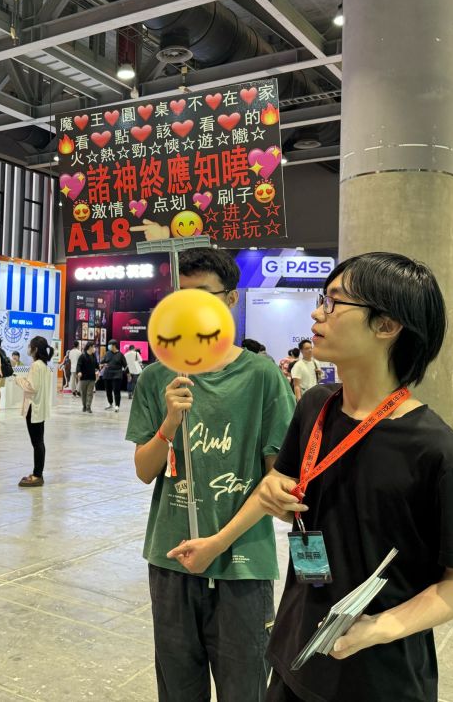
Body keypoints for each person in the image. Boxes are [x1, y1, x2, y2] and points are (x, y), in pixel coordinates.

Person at [255, 252, 453, 702]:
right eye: (322, 300)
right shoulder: (315, 406)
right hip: (293, 656)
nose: (317, 313)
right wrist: (273, 493)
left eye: (334, 302)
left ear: (387, 325)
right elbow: (281, 486)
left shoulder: (441, 454)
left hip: (379, 679)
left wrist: (379, 627)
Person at [127, 246, 296, 701]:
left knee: (246, 688)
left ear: (231, 300)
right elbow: (144, 470)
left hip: (242, 565)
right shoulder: (156, 379)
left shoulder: (262, 377)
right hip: (170, 559)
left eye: (203, 296)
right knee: (178, 688)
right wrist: (169, 423)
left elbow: (276, 483)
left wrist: (217, 543)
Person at [16, 336, 54, 487]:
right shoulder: (44, 365)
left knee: (37, 442)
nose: (29, 349)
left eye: (30, 346)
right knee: (39, 442)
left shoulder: (36, 365)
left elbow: (32, 387)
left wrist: (19, 380)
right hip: (39, 407)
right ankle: (37, 473)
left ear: (35, 349)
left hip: (34, 407)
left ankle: (38, 475)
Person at [101, 340, 128, 412]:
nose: (109, 346)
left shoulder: (120, 355)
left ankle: (117, 405)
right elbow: (102, 362)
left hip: (117, 374)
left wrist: (128, 374)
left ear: (114, 346)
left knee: (116, 390)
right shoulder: (107, 353)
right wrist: (103, 364)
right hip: (107, 374)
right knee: (108, 390)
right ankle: (110, 403)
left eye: (110, 345)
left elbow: (125, 366)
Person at [76, 342, 98, 413]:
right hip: (84, 378)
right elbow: (78, 365)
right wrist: (79, 372)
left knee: (90, 393)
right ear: (90, 347)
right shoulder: (82, 356)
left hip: (92, 378)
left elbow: (96, 365)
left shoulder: (94, 356)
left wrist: (98, 369)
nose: (94, 348)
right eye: (93, 347)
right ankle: (84, 406)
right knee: (84, 393)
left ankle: (88, 407)